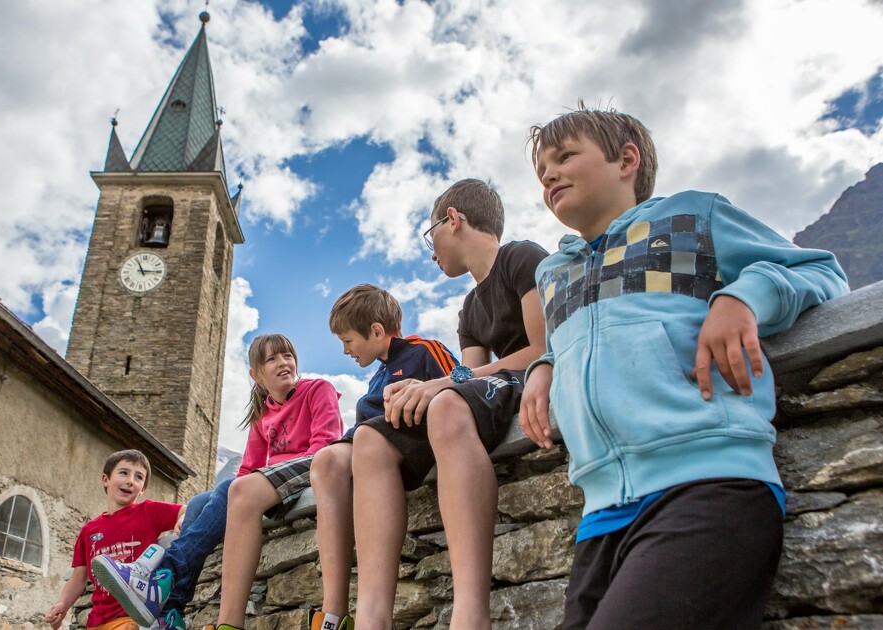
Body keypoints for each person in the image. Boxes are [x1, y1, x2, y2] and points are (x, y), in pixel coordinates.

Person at [520, 105, 850, 630]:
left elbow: (819, 270)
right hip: (599, 516)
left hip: (709, 487)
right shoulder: (552, 273)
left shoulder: (693, 217)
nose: (549, 176)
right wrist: (544, 364)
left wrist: (741, 298)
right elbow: (580, 341)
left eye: (564, 157)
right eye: (541, 172)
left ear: (626, 160)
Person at [353, 179, 549, 629]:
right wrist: (428, 391)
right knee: (369, 440)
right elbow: (469, 376)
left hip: (535, 377)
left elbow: (541, 347)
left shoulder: (522, 257)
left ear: (454, 219)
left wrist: (441, 385)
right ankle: (372, 616)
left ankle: (470, 613)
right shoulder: (469, 308)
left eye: (431, 235)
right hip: (493, 389)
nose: (433, 250)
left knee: (443, 403)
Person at [93, 334, 344, 630]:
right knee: (200, 502)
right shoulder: (262, 416)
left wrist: (257, 479)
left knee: (226, 489)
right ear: (257, 375)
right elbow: (248, 469)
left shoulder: (317, 389)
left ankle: (163, 574)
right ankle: (170, 612)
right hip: (273, 483)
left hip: (309, 473)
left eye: (287, 355)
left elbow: (325, 445)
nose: (283, 363)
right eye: (272, 359)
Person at [309, 284, 458, 630]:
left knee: (360, 442)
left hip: (406, 442)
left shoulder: (424, 350)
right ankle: (333, 614)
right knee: (326, 462)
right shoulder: (378, 374)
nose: (345, 350)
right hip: (367, 445)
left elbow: (459, 386)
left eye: (348, 341)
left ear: (376, 331)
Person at [44, 450, 184, 630]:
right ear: (105, 479)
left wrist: (182, 518)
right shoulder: (89, 530)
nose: (130, 481)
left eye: (139, 477)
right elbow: (79, 578)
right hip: (97, 620)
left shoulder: (148, 512)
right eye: (124, 473)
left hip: (131, 617)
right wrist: (63, 604)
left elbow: (189, 509)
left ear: (142, 490)